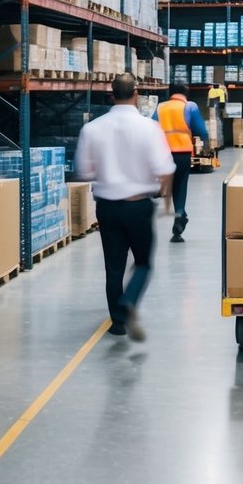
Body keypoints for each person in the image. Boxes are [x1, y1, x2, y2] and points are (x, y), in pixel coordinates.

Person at [75, 74, 175, 341]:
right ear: (136, 94)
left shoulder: (92, 129)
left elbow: (84, 172)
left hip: (107, 207)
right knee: (142, 263)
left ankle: (117, 324)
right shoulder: (149, 128)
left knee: (114, 267)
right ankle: (129, 301)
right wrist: (165, 198)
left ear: (111, 94)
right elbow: (165, 169)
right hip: (138, 206)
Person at [152, 82, 208, 242]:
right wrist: (205, 141)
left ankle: (178, 213)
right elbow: (201, 130)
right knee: (180, 185)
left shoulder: (161, 107)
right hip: (182, 153)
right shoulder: (190, 106)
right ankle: (179, 213)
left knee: (169, 185)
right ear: (185, 93)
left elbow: (151, 127)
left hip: (162, 154)